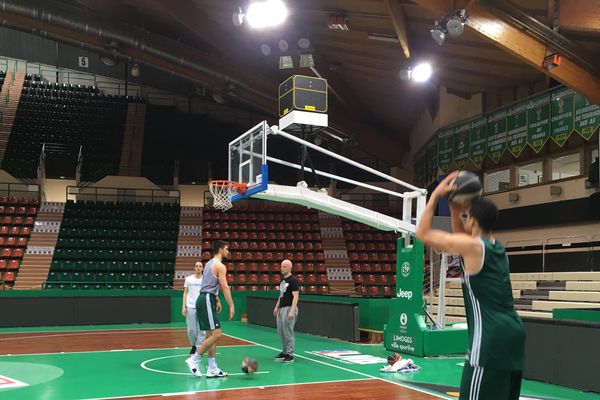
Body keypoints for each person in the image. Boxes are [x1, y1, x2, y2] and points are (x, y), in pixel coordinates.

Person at [415, 171, 525, 400]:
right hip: (513, 335)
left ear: (472, 219)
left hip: (489, 339)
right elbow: (462, 236)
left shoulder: (473, 247)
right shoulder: (497, 248)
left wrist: (435, 196)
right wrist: (456, 210)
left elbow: (422, 233)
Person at [185, 240, 235, 378]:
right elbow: (224, 286)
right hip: (207, 298)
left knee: (211, 336)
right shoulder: (220, 266)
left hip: (205, 298)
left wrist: (216, 299)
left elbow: (210, 283)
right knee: (217, 334)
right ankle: (194, 360)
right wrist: (231, 305)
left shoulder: (208, 264)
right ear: (220, 250)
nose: (228, 251)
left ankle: (212, 368)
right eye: (226, 249)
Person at [273, 259, 299, 363]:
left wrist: (292, 311)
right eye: (281, 266)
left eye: (284, 266)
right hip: (281, 309)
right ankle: (284, 352)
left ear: (289, 268)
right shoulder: (283, 281)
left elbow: (296, 296)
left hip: (289, 308)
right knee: (281, 331)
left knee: (288, 331)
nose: (281, 268)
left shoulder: (293, 280)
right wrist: (276, 307)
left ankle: (290, 354)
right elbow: (281, 295)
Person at [182, 261, 206, 363]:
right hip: (190, 306)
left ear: (202, 268)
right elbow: (185, 293)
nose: (198, 268)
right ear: (194, 268)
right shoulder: (188, 279)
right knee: (191, 330)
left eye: (200, 266)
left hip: (202, 307)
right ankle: (193, 345)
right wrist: (184, 306)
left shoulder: (205, 280)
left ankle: (198, 348)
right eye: (196, 266)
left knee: (202, 330)